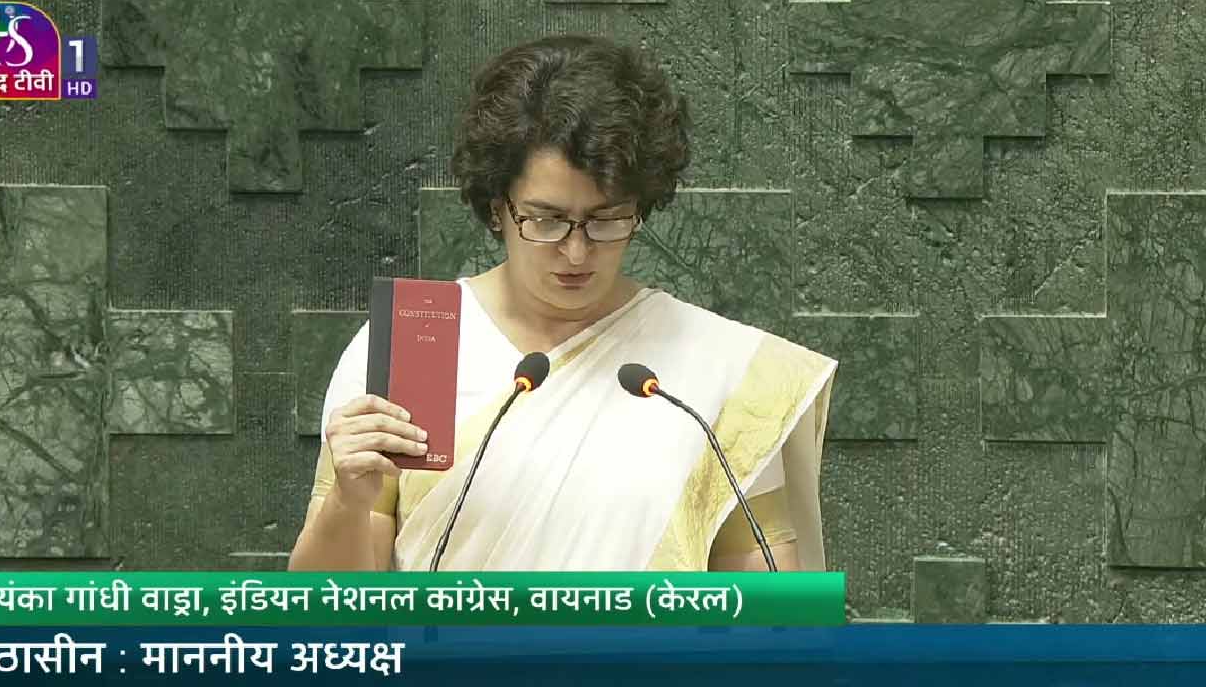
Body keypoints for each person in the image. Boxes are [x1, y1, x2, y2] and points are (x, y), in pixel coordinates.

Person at [289, 35, 837, 572]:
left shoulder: (721, 367)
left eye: (605, 220)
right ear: (495, 207)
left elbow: (767, 598)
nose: (576, 252)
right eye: (546, 220)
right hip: (454, 663)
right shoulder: (418, 342)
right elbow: (323, 611)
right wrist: (347, 500)